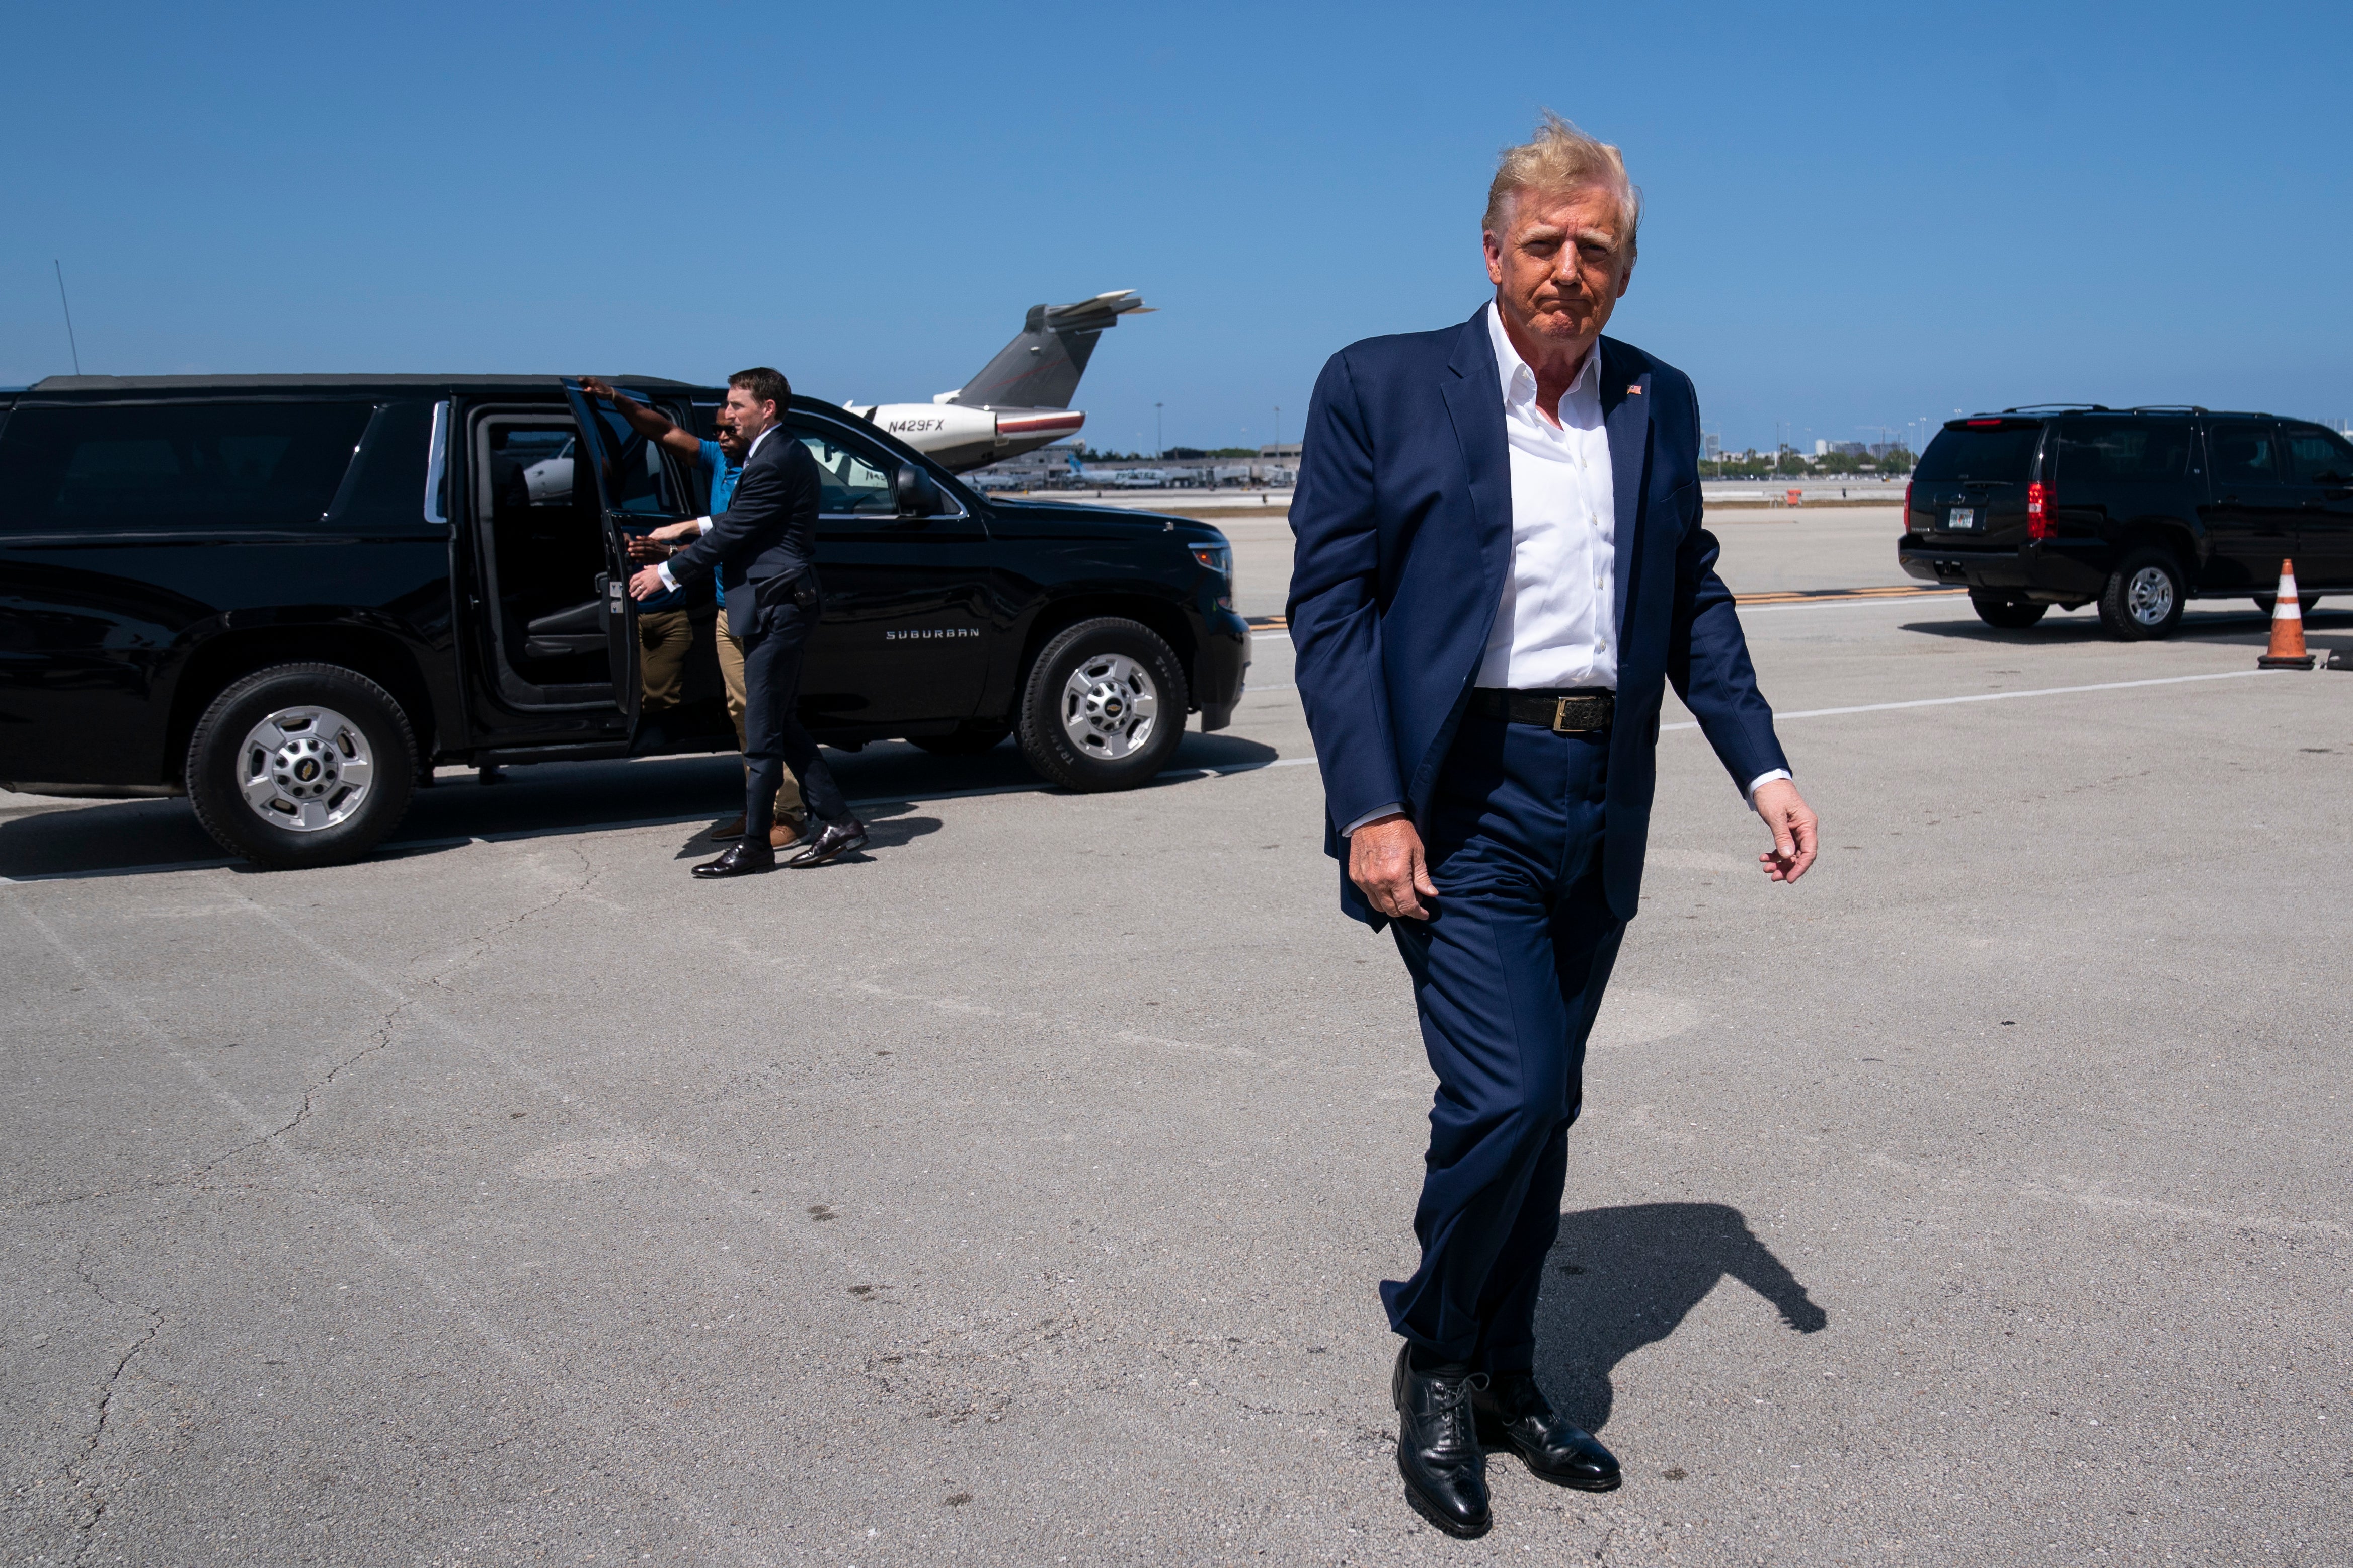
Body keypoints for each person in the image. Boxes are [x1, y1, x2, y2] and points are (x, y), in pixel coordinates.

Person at [1287, 114, 1820, 1539]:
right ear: (1491, 250)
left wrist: (1758, 764)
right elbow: (1329, 615)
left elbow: (1689, 596)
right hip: (1459, 795)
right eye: (1544, 244)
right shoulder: (1380, 385)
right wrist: (1370, 803)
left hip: (1602, 793)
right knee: (1508, 1094)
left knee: (1550, 1107)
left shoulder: (1656, 400)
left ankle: (1513, 1366)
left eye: (1596, 249)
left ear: (1624, 268)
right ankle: (1440, 1356)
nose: (1567, 270)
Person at [626, 368, 867, 876]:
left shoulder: (775, 459)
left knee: (761, 731)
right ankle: (839, 822)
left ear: (768, 409)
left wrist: (667, 571)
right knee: (778, 722)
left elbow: (734, 531)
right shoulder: (767, 455)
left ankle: (758, 844)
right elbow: (737, 524)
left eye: (737, 407)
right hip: (767, 603)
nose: (727, 416)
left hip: (775, 607)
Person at [582, 378, 806, 846]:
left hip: (761, 605)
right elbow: (663, 432)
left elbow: (735, 531)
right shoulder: (718, 461)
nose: (723, 435)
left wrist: (669, 565)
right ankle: (759, 808)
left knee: (762, 713)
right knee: (742, 711)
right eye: (718, 429)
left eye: (731, 425)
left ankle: (787, 812)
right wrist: (618, 401)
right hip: (729, 607)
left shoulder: (765, 467)